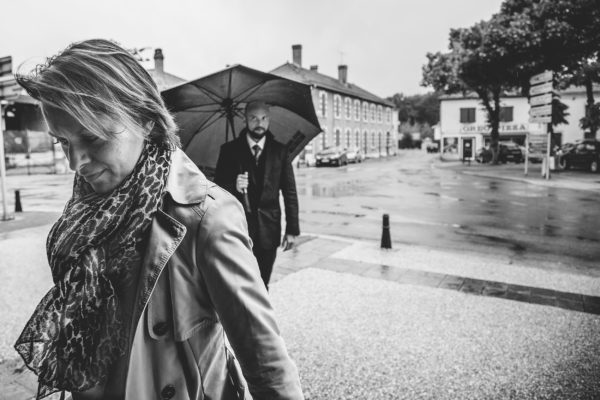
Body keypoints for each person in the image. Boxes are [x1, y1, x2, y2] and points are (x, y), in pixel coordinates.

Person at [13, 39, 303, 400]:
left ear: (146, 121)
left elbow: (267, 367)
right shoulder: (88, 208)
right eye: (62, 141)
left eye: (93, 137)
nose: (75, 163)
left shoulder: (206, 219)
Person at [214, 102, 299, 289]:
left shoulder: (280, 151)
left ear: (269, 120)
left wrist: (292, 229)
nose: (259, 123)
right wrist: (233, 185)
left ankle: (259, 317)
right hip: (239, 229)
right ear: (245, 120)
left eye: (263, 118)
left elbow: (289, 192)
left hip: (270, 228)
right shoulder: (229, 150)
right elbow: (216, 189)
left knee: (263, 283)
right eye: (253, 118)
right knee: (241, 283)